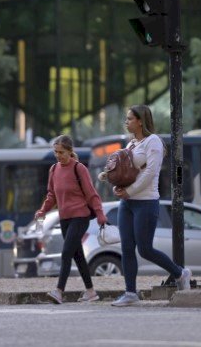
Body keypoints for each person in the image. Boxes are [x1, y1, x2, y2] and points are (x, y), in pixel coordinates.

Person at [111, 105, 192, 307]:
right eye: (126, 118)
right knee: (127, 248)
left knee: (145, 249)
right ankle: (130, 292)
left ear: (140, 121)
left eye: (130, 118)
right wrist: (116, 184)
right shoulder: (131, 144)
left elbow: (150, 174)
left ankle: (180, 273)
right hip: (127, 203)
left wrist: (129, 191)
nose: (127, 122)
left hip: (146, 202)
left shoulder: (153, 142)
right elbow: (125, 170)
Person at [35, 135, 107, 304]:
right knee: (77, 255)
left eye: (61, 152)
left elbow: (91, 194)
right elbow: (52, 195)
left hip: (80, 216)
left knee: (66, 252)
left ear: (69, 151)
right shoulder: (53, 169)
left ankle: (59, 291)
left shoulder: (79, 168)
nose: (58, 155)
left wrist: (100, 214)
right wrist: (43, 210)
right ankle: (91, 292)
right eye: (56, 152)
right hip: (65, 218)